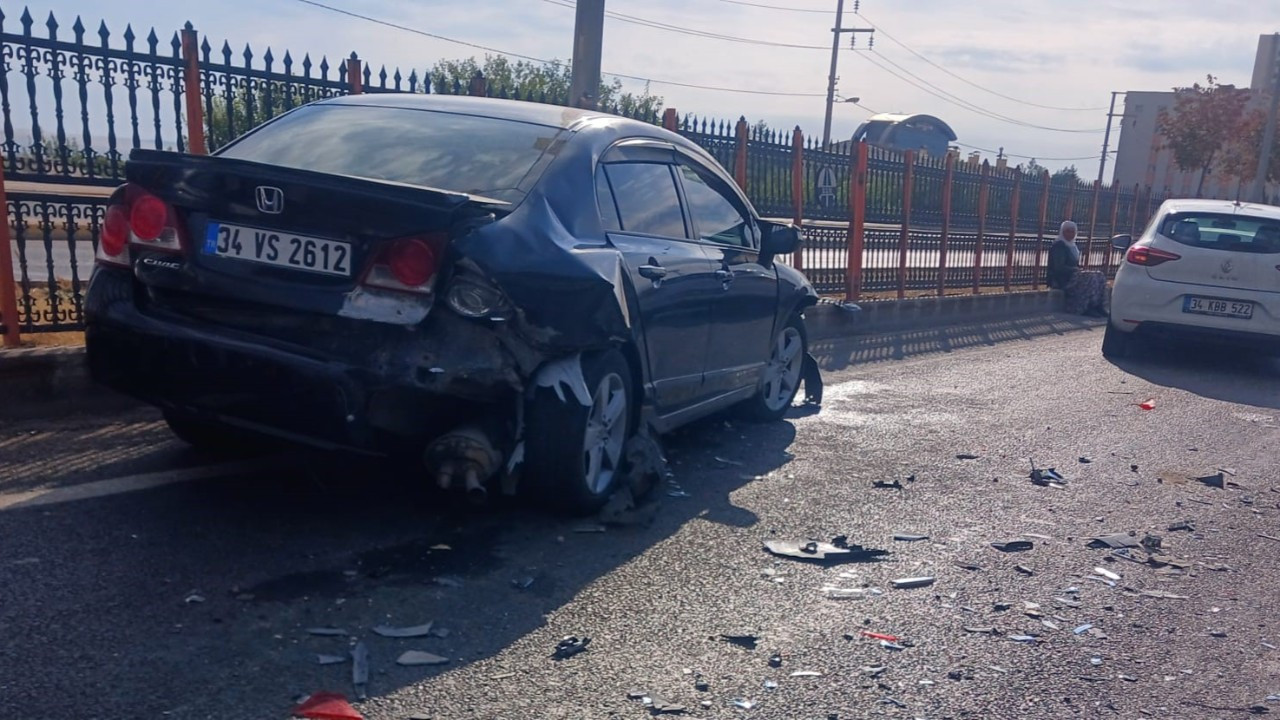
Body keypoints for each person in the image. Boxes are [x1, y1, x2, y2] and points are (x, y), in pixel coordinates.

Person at [1047, 220, 1108, 317]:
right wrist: (1075, 270)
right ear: (1062, 231)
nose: (1070, 234)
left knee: (1099, 275)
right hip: (1061, 279)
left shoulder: (1072, 246)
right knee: (1088, 277)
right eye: (1068, 231)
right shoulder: (1059, 245)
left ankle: (1097, 306)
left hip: (1072, 275)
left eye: (1073, 231)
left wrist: (1078, 270)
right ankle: (1085, 307)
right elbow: (1059, 267)